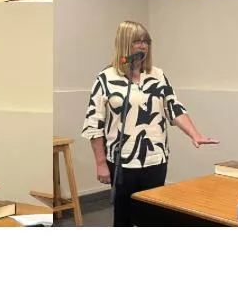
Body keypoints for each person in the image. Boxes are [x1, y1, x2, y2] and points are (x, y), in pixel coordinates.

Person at [81, 20, 219, 226]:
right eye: (137, 41)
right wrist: (100, 163)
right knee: (124, 218)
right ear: (124, 43)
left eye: (146, 41)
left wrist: (195, 134)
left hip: (156, 159)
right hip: (123, 162)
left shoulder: (158, 75)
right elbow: (94, 124)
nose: (143, 45)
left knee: (152, 217)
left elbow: (174, 108)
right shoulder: (106, 78)